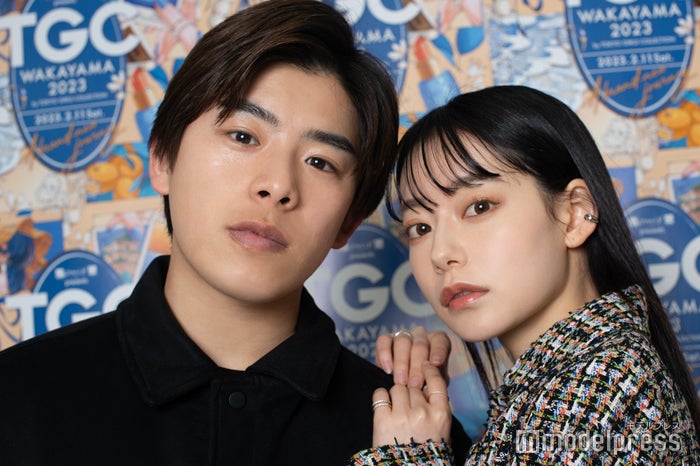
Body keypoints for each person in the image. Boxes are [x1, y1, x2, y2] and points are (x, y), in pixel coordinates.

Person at [0, 1, 472, 464]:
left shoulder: (413, 439)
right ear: (162, 158)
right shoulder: (18, 396)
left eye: (320, 162)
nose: (278, 186)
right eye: (244, 137)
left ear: (349, 220)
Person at [349, 85, 700, 464]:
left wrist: (407, 456)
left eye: (479, 207)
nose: (441, 254)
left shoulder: (594, 391)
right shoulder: (592, 378)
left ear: (574, 214)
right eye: (420, 228)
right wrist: (418, 389)